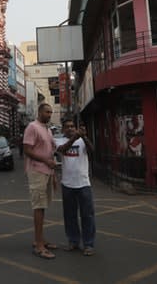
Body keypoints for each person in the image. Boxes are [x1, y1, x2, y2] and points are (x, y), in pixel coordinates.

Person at [23, 103, 59, 260]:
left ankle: (41, 239)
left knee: (43, 207)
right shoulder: (32, 127)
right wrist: (45, 161)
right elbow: (27, 150)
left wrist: (54, 175)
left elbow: (50, 152)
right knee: (39, 207)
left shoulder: (47, 129)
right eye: (47, 112)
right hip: (36, 171)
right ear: (39, 112)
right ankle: (39, 246)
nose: (49, 114)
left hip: (47, 172)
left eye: (51, 112)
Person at [57, 118, 96, 256]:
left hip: (83, 183)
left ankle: (88, 244)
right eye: (67, 127)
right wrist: (74, 138)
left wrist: (84, 136)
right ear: (62, 129)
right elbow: (62, 150)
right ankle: (73, 241)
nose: (70, 128)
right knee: (70, 215)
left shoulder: (82, 140)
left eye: (72, 126)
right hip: (67, 184)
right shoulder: (59, 141)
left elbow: (92, 151)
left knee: (87, 215)